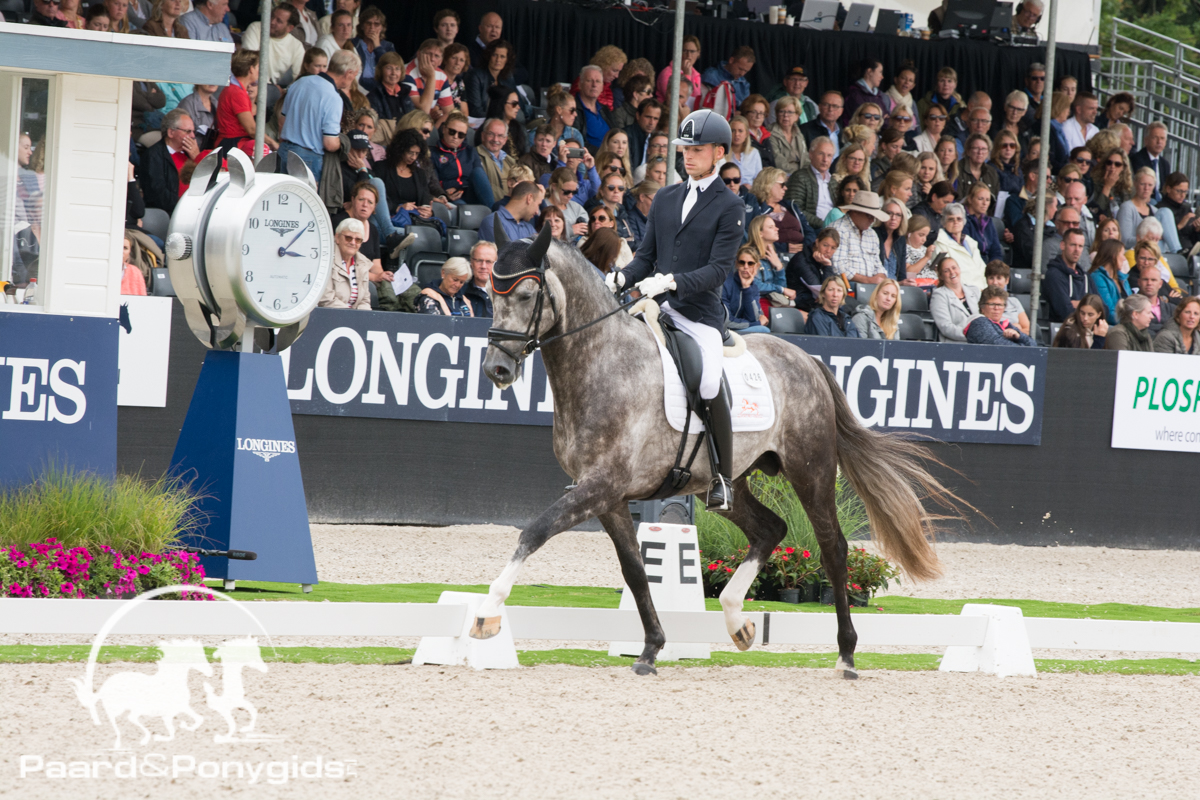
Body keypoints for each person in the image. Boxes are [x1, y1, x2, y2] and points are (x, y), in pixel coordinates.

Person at [607, 109, 746, 510]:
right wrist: (620, 278)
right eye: (685, 148)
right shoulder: (666, 198)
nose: (688, 155)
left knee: (708, 383)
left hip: (698, 314)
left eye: (697, 149)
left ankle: (722, 477)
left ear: (718, 152)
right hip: (656, 307)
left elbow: (718, 270)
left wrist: (671, 282)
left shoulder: (730, 205)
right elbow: (645, 257)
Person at [278, 49, 360, 183]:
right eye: (355, 75)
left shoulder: (300, 82)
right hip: (307, 157)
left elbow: (282, 121)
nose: (353, 80)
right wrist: (343, 142)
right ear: (349, 73)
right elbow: (330, 144)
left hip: (284, 150)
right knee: (305, 197)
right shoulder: (333, 97)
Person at [138, 109, 197, 214]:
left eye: (193, 131)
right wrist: (185, 206)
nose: (193, 136)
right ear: (171, 132)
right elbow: (157, 194)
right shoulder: (153, 156)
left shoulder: (191, 154)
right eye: (188, 131)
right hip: (171, 214)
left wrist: (198, 158)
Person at [828, 189, 889, 285]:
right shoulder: (838, 229)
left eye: (874, 217)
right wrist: (869, 280)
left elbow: (878, 265)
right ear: (855, 212)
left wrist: (880, 277)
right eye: (869, 215)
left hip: (871, 286)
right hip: (845, 285)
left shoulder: (872, 234)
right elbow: (838, 267)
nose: (872, 220)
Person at [240, 5, 306, 89]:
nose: (272, 22)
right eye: (272, 16)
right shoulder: (256, 28)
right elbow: (250, 62)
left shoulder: (297, 46)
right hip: (250, 83)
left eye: (279, 21)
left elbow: (299, 77)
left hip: (272, 88)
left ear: (289, 28)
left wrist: (285, 91)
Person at [1118, 167, 1182, 251]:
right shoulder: (1127, 207)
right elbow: (1125, 241)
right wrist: (1147, 238)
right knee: (1164, 212)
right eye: (1142, 184)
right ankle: (1178, 252)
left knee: (1165, 212)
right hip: (1136, 251)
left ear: (1154, 187)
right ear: (1135, 184)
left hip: (1157, 251)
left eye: (1150, 185)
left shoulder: (1155, 210)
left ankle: (1177, 251)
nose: (1146, 188)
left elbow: (1165, 244)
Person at [320, 218, 371, 310]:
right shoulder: (326, 260)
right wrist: (350, 316)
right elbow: (326, 299)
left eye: (358, 240)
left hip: (354, 316)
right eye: (348, 238)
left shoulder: (363, 263)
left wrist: (363, 316)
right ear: (337, 237)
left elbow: (365, 301)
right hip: (330, 314)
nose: (353, 243)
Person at [932, 203, 987, 289]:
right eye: (951, 219)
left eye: (959, 219)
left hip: (982, 289)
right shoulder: (939, 243)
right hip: (962, 291)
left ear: (964, 222)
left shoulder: (970, 242)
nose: (956, 222)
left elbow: (982, 269)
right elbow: (946, 275)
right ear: (944, 223)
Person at [1044, 227, 1092, 322]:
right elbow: (1065, 311)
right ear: (1062, 245)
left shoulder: (1086, 276)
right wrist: (1090, 308)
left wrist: (1078, 304)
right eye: (1073, 245)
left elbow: (1103, 309)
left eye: (1080, 246)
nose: (1077, 250)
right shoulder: (1054, 275)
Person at [785, 136, 835, 224]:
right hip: (813, 228)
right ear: (811, 155)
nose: (825, 159)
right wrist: (823, 224)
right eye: (821, 154)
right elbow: (796, 209)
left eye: (829, 155)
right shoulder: (800, 177)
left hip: (834, 228)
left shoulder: (833, 182)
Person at [746, 216, 795, 307]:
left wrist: (779, 267)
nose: (777, 229)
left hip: (774, 301)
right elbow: (754, 285)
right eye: (771, 227)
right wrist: (781, 289)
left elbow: (781, 288)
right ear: (760, 233)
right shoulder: (749, 255)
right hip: (756, 302)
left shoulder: (773, 255)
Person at [930, 254, 981, 341]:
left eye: (954, 268)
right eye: (946, 271)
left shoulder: (975, 290)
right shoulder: (939, 295)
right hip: (956, 343)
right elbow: (946, 327)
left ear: (959, 269)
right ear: (941, 276)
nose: (952, 272)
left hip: (980, 340)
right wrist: (971, 335)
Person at [788, 227, 839, 312]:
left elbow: (834, 287)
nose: (828, 251)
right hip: (803, 300)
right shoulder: (801, 259)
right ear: (817, 242)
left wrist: (827, 266)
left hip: (818, 300)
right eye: (825, 245)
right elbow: (819, 288)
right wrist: (827, 266)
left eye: (833, 248)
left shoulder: (825, 259)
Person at [722, 246, 772, 332]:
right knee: (763, 330)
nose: (745, 266)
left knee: (763, 330)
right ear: (736, 264)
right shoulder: (725, 284)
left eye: (750, 263)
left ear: (757, 266)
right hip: (724, 330)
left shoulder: (753, 288)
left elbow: (753, 318)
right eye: (742, 262)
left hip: (740, 329)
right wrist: (755, 324)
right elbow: (727, 321)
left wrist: (746, 288)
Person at [465, 39, 516, 120]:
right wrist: (500, 118)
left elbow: (515, 103)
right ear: (489, 56)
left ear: (507, 60)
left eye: (502, 56)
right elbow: (475, 110)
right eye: (495, 55)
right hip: (483, 121)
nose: (498, 60)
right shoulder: (475, 76)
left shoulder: (508, 77)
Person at [966, 286, 1036, 346]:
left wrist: (1019, 336)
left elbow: (1033, 345)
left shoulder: (1007, 325)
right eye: (992, 304)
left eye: (1000, 305)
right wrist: (1023, 346)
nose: (996, 308)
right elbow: (1001, 347)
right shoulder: (979, 323)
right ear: (982, 307)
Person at [1089, 239, 1132, 325]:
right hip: (1111, 327)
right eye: (1122, 254)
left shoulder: (1122, 278)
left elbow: (1133, 304)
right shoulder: (1097, 277)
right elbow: (1109, 313)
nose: (1124, 258)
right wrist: (1132, 322)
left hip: (1127, 324)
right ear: (1114, 255)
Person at [657, 35, 703, 110]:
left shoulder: (697, 75)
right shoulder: (667, 73)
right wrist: (687, 75)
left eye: (692, 51)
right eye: (685, 51)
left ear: (698, 53)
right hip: (667, 113)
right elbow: (674, 99)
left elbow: (696, 99)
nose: (688, 55)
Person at [984, 260, 1030, 334]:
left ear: (1007, 280)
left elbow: (1028, 330)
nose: (995, 282)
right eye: (991, 278)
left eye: (999, 278)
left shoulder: (1014, 302)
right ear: (986, 280)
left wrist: (1015, 331)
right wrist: (1012, 327)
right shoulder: (981, 301)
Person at [1160, 173, 1200, 256]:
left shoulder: (1186, 207)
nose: (1182, 195)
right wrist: (1180, 225)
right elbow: (1161, 238)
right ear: (1168, 189)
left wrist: (1197, 229)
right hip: (1172, 253)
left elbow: (1192, 238)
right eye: (1179, 191)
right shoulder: (1161, 209)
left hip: (1191, 250)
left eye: (1185, 192)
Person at [961, 184, 1003, 263]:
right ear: (970, 199)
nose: (985, 203)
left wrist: (994, 266)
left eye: (987, 200)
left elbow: (996, 251)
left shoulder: (988, 221)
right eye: (980, 199)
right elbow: (967, 249)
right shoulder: (961, 220)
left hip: (987, 264)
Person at [544, 167, 589, 239]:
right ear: (554, 186)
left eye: (574, 192)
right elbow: (541, 234)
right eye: (567, 192)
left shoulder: (576, 208)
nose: (571, 196)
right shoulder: (542, 206)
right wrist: (570, 230)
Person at [768, 96, 807, 176]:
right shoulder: (770, 133)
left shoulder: (798, 133)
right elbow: (779, 162)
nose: (785, 115)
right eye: (782, 111)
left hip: (801, 176)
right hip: (782, 176)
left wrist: (807, 174)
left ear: (797, 116)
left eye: (790, 112)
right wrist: (798, 176)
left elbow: (806, 158)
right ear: (776, 114)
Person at [576, 65, 611, 150]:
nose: (594, 85)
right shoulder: (574, 109)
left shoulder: (605, 110)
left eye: (598, 81)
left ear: (602, 87)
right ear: (580, 84)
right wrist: (602, 154)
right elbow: (577, 142)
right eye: (589, 80)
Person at [1135, 267, 1177, 338]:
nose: (1149, 283)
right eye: (1145, 279)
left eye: (1153, 280)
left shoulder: (1172, 308)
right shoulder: (1132, 307)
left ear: (1160, 284)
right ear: (1139, 282)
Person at [912, 180, 955, 246]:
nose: (947, 206)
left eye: (949, 203)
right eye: (945, 202)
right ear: (934, 197)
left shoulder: (944, 214)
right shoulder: (919, 213)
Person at [727, 116, 761, 187]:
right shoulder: (723, 154)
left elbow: (759, 180)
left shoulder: (754, 153)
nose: (736, 134)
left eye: (740, 131)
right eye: (733, 130)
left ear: (746, 134)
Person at [905, 215, 937, 284]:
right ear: (909, 234)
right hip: (919, 285)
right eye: (921, 235)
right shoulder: (904, 249)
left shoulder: (924, 249)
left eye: (926, 236)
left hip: (932, 283)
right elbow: (909, 272)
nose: (924, 239)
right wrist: (926, 257)